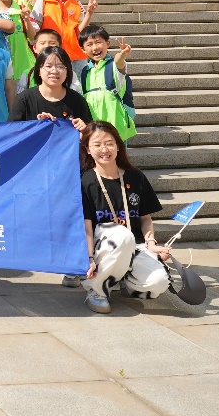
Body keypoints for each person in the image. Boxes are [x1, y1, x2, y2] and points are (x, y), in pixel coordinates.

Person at [81, 121, 172, 314]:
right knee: (122, 235)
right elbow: (86, 227)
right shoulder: (85, 181)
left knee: (159, 283)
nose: (104, 149)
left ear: (118, 146)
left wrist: (151, 243)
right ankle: (97, 290)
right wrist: (88, 258)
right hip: (102, 247)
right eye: (97, 145)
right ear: (88, 150)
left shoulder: (135, 177)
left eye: (109, 143)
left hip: (135, 246)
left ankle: (126, 281)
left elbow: (145, 218)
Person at [10, 46, 92, 129]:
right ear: (38, 70)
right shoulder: (24, 99)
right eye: (48, 66)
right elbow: (13, 131)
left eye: (60, 67)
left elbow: (91, 132)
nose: (54, 71)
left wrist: (85, 129)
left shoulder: (77, 100)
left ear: (68, 72)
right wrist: (38, 125)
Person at [79, 25, 136, 142]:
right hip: (93, 127)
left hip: (115, 126)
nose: (95, 47)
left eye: (98, 42)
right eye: (89, 44)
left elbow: (119, 62)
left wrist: (123, 54)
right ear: (83, 49)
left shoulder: (113, 66)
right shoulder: (85, 72)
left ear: (107, 43)